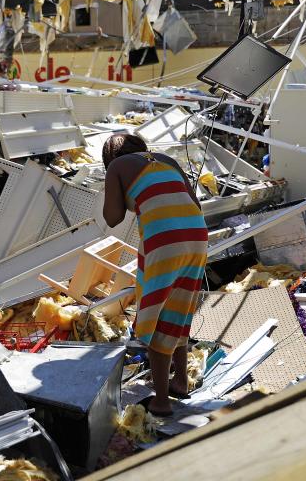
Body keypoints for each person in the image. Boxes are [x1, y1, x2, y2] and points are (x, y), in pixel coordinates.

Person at [102, 133, 207, 417]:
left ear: (109, 159)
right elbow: (194, 203)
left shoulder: (116, 166)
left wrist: (117, 185)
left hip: (164, 240)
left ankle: (161, 400)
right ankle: (181, 380)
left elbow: (112, 218)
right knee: (179, 309)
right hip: (197, 235)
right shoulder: (167, 160)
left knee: (159, 315)